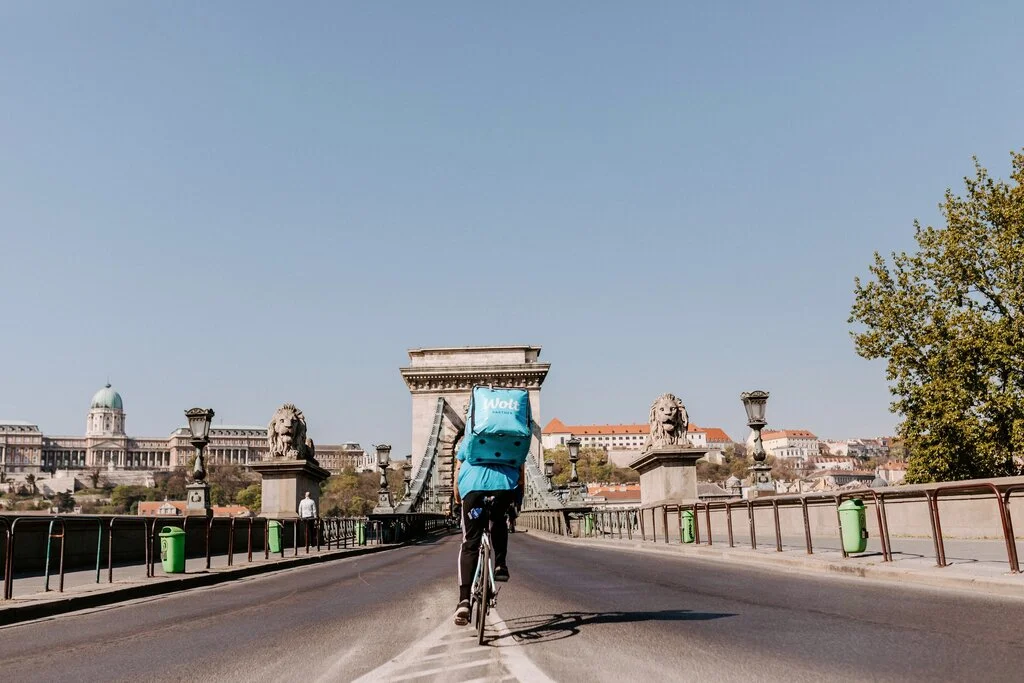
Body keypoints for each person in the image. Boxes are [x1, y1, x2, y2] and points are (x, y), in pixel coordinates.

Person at [452, 437, 525, 626]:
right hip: (503, 489)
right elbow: (521, 472)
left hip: (473, 491)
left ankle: (464, 601)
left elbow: (458, 469)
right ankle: (500, 565)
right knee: (498, 519)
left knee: (470, 543)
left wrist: (458, 498)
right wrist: (518, 500)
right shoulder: (513, 436)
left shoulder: (472, 435)